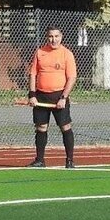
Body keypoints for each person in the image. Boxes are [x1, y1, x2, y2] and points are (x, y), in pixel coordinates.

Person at [26, 26, 77, 168]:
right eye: (50, 37)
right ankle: (40, 160)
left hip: (59, 95)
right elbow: (33, 74)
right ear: (47, 37)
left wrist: (63, 97)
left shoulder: (67, 54)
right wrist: (32, 95)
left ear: (61, 37)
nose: (53, 40)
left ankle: (70, 160)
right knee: (41, 127)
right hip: (41, 96)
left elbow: (72, 77)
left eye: (56, 36)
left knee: (65, 127)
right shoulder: (40, 52)